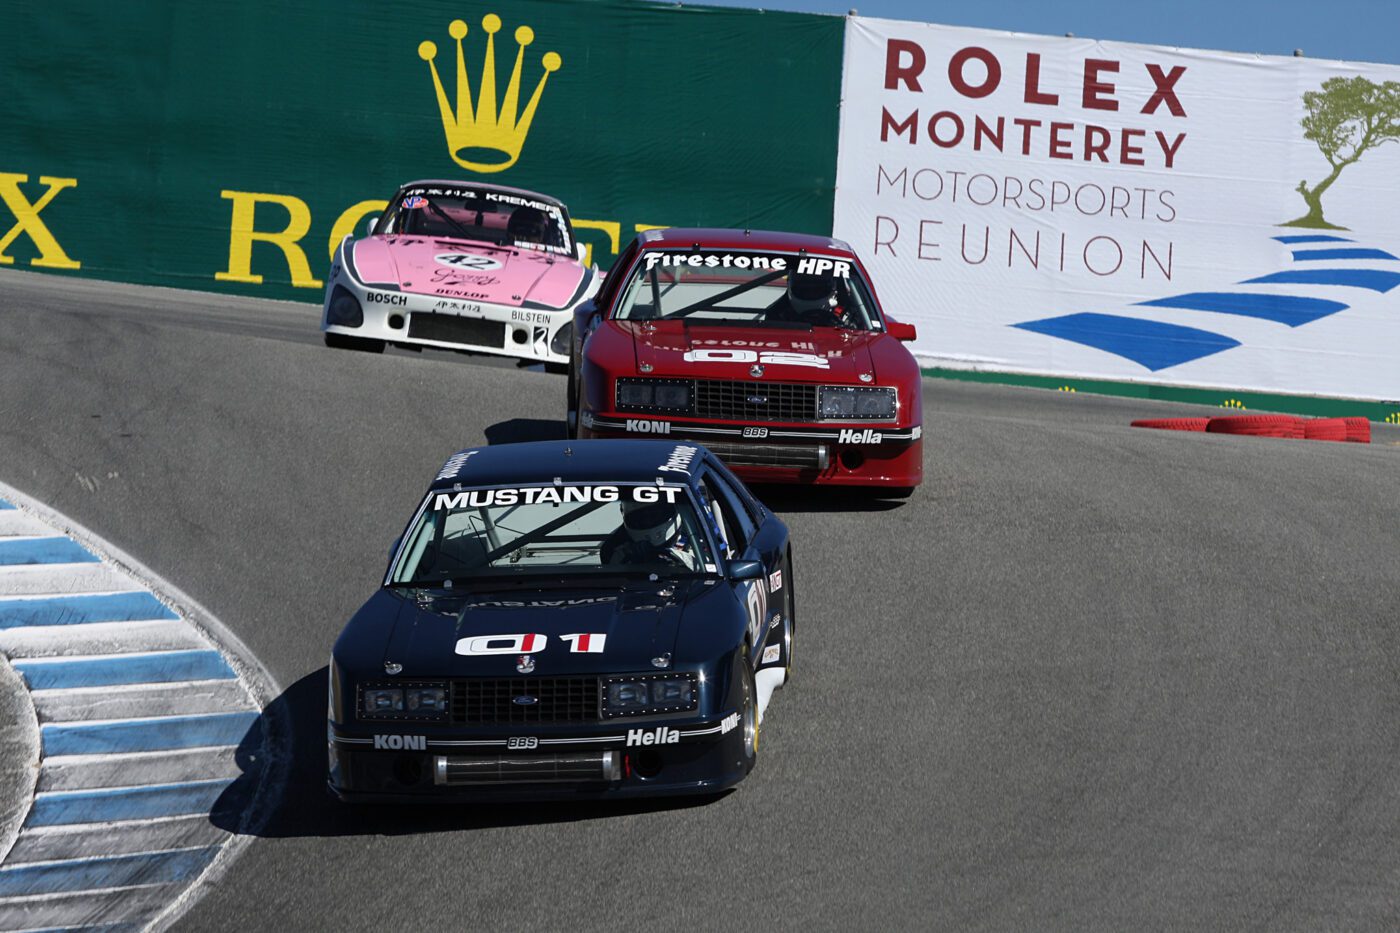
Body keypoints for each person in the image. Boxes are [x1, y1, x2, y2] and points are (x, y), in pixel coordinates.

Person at [601, 499, 693, 567]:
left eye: (655, 514)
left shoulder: (695, 535)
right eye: (641, 517)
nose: (648, 521)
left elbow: (703, 568)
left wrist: (677, 557)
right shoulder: (613, 548)